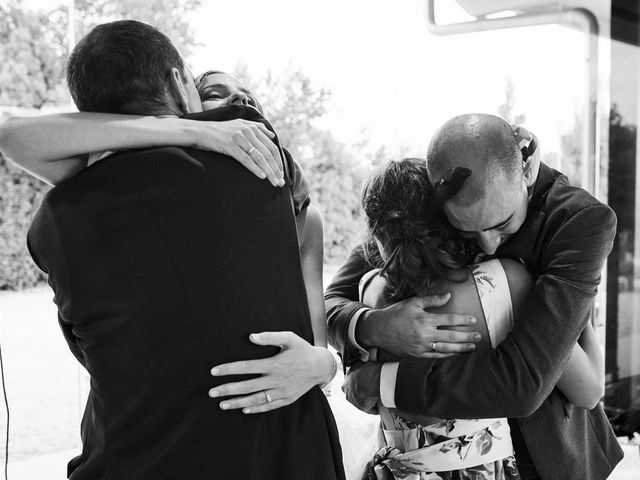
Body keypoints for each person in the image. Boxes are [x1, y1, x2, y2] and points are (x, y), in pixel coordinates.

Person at [8, 20, 344, 479]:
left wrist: (324, 361)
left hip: (130, 456)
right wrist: (188, 131)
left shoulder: (56, 216)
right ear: (175, 82)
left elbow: (12, 133)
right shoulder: (251, 155)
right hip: (280, 458)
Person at [327, 114, 623, 480]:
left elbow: (527, 381)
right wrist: (372, 325)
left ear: (526, 169)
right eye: (466, 229)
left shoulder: (581, 221)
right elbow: (334, 301)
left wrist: (383, 381)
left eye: (501, 225)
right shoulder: (442, 189)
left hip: (551, 453)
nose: (487, 244)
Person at [0, 70, 329, 360]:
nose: (239, 98)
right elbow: (13, 136)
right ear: (188, 105)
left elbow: (318, 346)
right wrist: (184, 130)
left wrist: (319, 366)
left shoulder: (301, 212)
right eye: (215, 93)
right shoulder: (137, 176)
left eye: (247, 97)